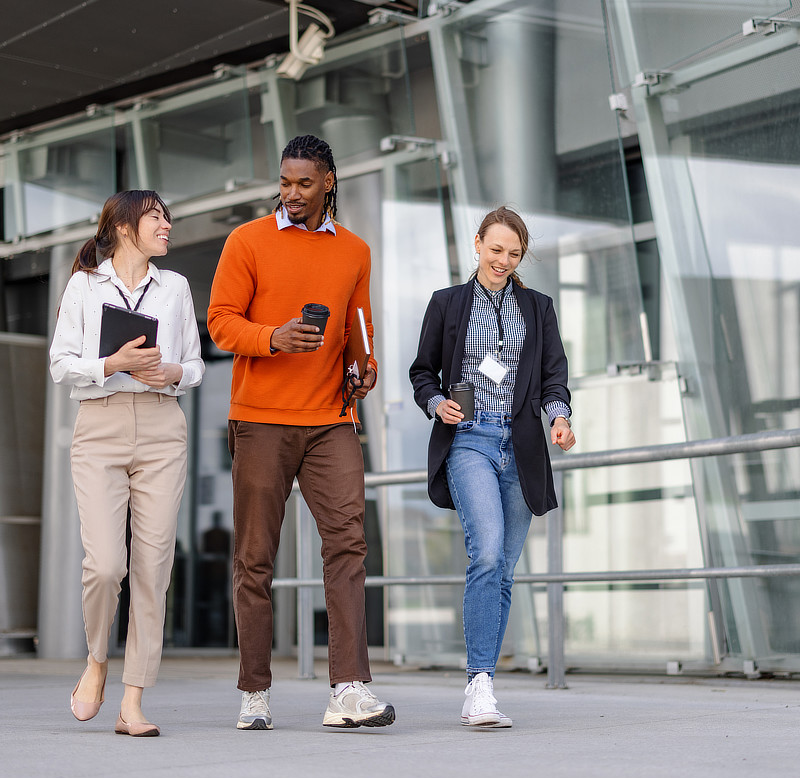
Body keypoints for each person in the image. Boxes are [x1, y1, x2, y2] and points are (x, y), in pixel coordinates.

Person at [207, 134, 395, 731]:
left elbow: (358, 329)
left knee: (348, 546)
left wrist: (364, 370)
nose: (290, 193)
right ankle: (255, 692)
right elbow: (220, 323)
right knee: (255, 558)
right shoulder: (247, 241)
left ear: (328, 182)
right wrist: (273, 339)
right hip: (261, 419)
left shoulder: (356, 252)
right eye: (284, 182)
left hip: (331, 420)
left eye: (303, 184)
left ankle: (347, 690)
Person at [409, 206, 575, 728]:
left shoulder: (538, 308)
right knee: (484, 553)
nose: (503, 260)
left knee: (503, 569)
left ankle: (483, 685)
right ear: (477, 243)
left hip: (521, 448)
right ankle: (479, 683)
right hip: (470, 441)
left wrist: (560, 419)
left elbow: (553, 379)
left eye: (514, 253)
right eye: (495, 248)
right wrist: (438, 403)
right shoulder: (447, 304)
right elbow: (421, 373)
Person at [50, 190, 204, 737]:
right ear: (121, 228)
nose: (167, 225)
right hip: (100, 425)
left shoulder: (177, 287)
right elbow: (60, 364)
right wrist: (111, 362)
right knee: (106, 565)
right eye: (155, 217)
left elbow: (195, 364)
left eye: (167, 216)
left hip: (163, 426)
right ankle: (96, 661)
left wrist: (172, 374)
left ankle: (133, 699)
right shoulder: (84, 286)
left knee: (153, 569)